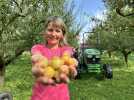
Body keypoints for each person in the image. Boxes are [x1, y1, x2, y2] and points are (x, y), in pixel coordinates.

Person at [31, 16, 77, 100]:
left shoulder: (65, 49)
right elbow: (36, 55)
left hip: (61, 97)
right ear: (44, 32)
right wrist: (38, 59)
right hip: (40, 97)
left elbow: (66, 57)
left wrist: (70, 67)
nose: (53, 34)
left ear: (62, 34)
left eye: (57, 31)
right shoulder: (38, 48)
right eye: (50, 30)